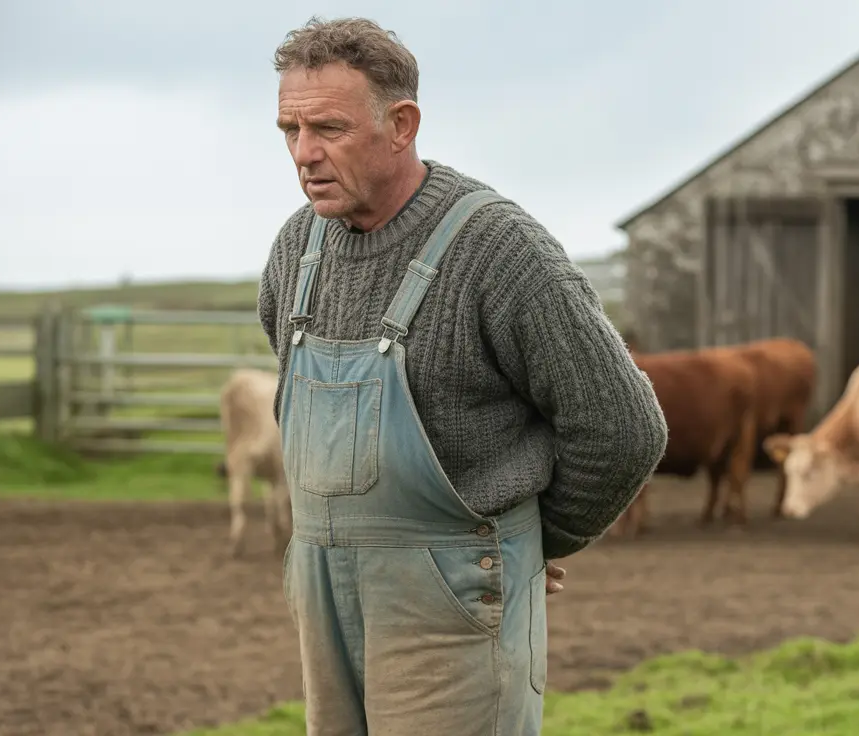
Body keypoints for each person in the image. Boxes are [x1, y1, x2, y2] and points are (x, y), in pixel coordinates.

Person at [257, 17, 668, 736]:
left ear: (402, 125)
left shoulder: (498, 250)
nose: (304, 153)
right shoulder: (297, 249)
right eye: (290, 129)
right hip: (321, 599)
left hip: (450, 610)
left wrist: (532, 543)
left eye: (328, 128)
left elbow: (623, 427)